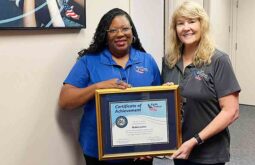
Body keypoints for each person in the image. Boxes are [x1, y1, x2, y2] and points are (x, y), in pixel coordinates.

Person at [59, 8, 161, 165]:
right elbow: (65, 101)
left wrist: (154, 145)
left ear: (132, 32)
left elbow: (159, 104)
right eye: (113, 30)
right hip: (98, 150)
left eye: (125, 28)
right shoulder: (89, 61)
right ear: (105, 35)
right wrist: (98, 87)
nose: (120, 34)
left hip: (140, 150)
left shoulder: (147, 60)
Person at [162, 1, 241, 165]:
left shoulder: (219, 60)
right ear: (175, 29)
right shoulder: (169, 61)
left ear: (202, 25)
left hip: (208, 153)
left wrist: (194, 141)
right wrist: (166, 95)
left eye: (192, 21)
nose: (186, 27)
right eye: (180, 23)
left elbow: (231, 111)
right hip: (179, 148)